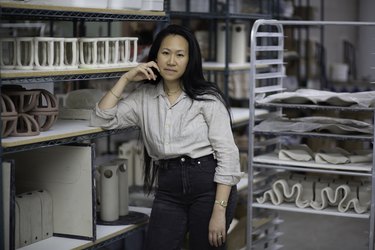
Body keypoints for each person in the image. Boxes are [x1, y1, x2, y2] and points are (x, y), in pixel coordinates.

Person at [90, 24, 243, 250]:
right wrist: (126, 79)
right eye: (166, 53)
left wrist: (219, 211)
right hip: (169, 189)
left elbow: (228, 155)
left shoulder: (207, 98)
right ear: (155, 56)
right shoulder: (144, 96)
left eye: (180, 55)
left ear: (189, 60)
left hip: (208, 188)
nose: (171, 61)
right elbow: (102, 118)